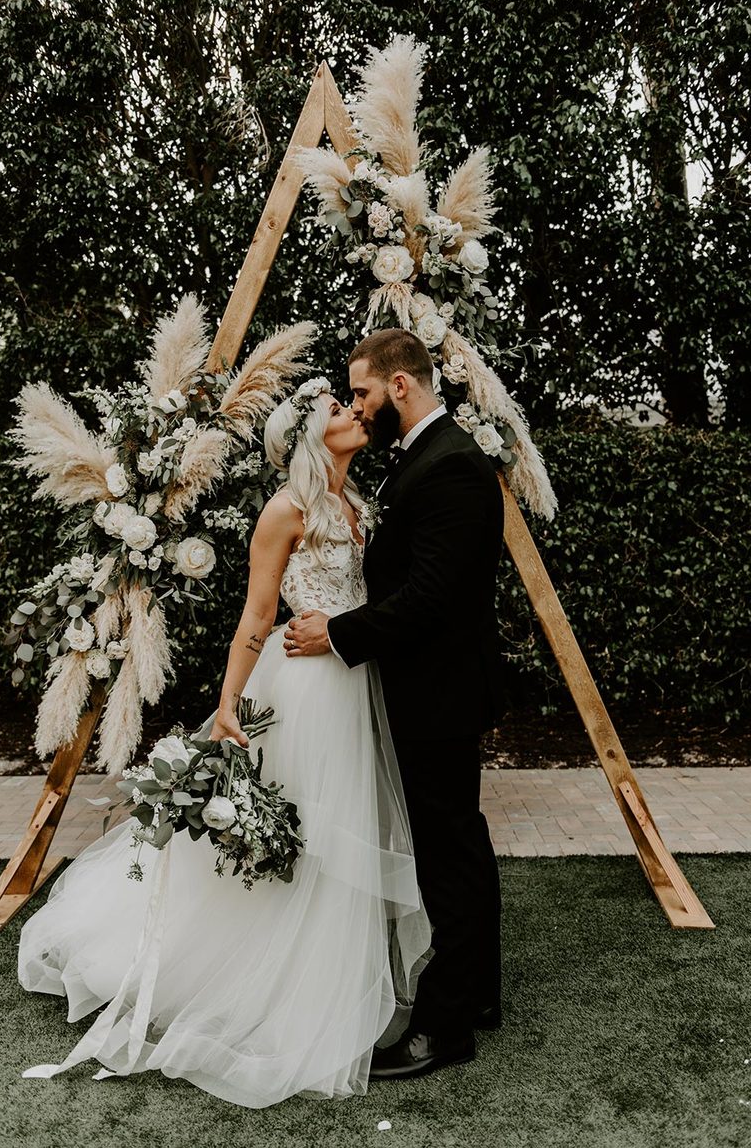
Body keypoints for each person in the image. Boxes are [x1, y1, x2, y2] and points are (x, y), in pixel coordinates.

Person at [17, 377, 431, 1108]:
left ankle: (328, 969)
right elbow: (257, 613)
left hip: (351, 684)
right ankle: (274, 982)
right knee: (305, 831)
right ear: (309, 431)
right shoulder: (285, 510)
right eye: (339, 408)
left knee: (339, 828)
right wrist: (229, 702)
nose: (356, 412)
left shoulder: (354, 501)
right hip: (303, 691)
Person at [285, 330, 505, 1081]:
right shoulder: (419, 460)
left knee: (448, 849)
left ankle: (445, 1027)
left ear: (401, 387)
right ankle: (473, 993)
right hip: (424, 686)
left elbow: (430, 599)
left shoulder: (452, 469)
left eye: (364, 394)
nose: (358, 407)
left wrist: (336, 634)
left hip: (438, 691)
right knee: (454, 842)